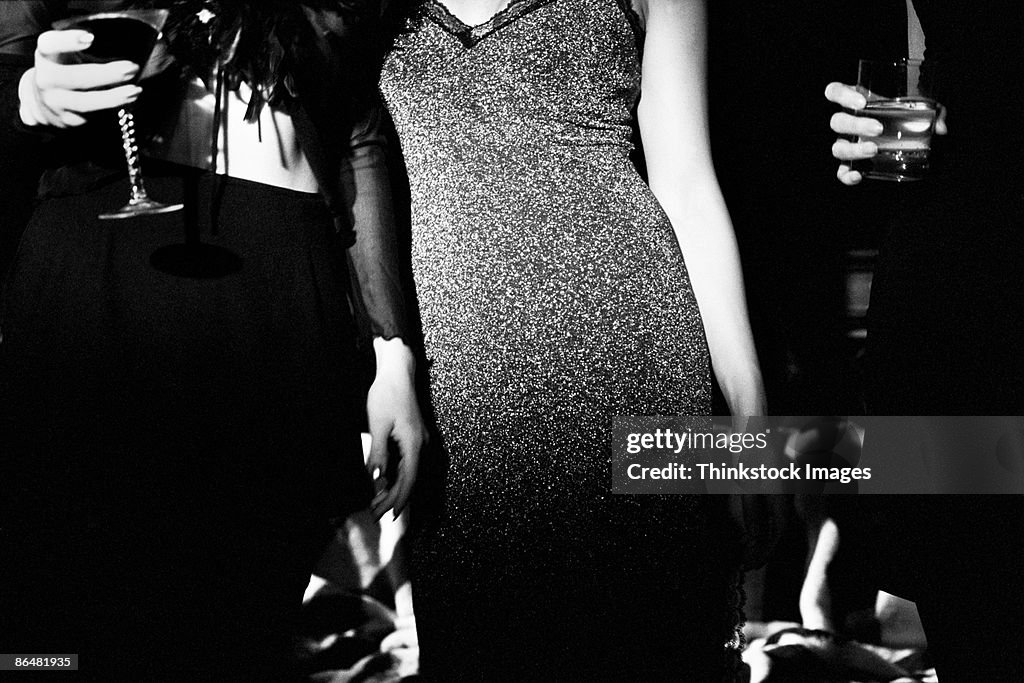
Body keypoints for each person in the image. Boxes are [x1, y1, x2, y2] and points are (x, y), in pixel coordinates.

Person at [0, 2, 426, 680]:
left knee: (248, 627)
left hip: (282, 286)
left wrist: (392, 348)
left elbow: (357, 129)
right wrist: (24, 94)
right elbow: (7, 62)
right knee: (67, 625)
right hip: (104, 261)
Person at [380, 0, 766, 679]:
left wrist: (749, 417)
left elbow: (685, 178)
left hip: (631, 346)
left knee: (646, 643)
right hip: (454, 369)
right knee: (477, 638)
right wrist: (382, 355)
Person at [825, 1, 1024, 680]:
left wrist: (975, 138)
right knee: (970, 617)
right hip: (940, 322)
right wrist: (869, 135)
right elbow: (927, 80)